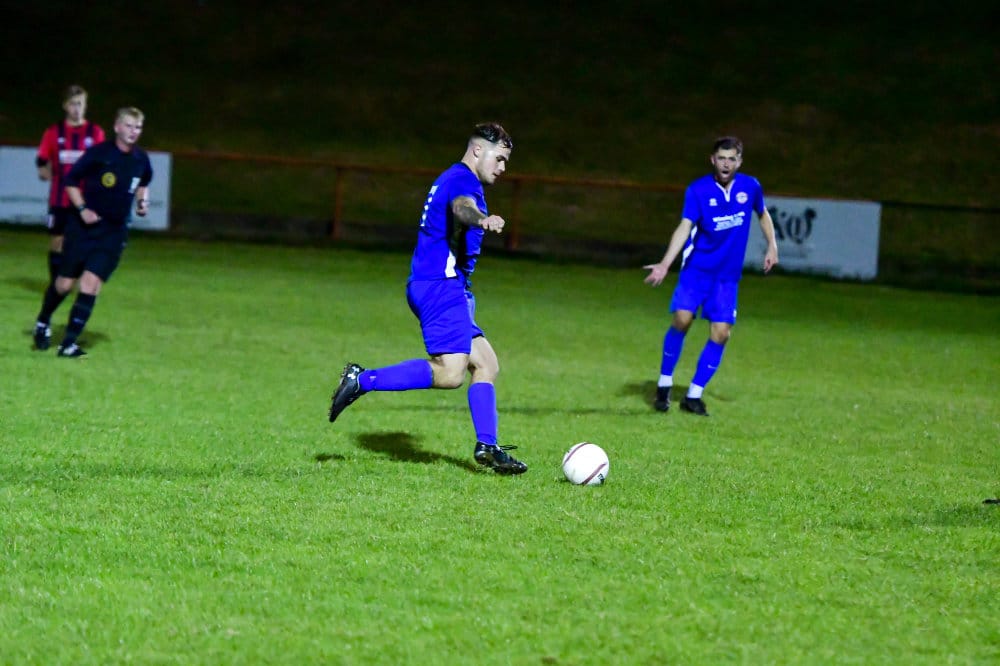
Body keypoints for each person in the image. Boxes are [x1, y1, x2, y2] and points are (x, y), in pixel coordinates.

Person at [328, 122, 527, 475]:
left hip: (445, 286)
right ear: (477, 150)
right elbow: (462, 208)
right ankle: (362, 380)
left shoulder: (452, 177)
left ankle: (488, 446)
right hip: (440, 285)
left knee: (486, 364)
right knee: (450, 374)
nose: (502, 167)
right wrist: (481, 220)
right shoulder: (462, 181)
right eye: (499, 158)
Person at [643, 136, 779, 416]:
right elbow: (684, 226)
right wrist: (665, 264)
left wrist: (772, 246)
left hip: (726, 278)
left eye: (732, 159)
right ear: (712, 160)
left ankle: (693, 396)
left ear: (739, 162)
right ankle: (664, 383)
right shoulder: (698, 190)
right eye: (721, 158)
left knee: (721, 333)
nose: (726, 164)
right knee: (682, 319)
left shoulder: (750, 187)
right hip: (697, 271)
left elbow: (763, 214)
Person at [31, 107, 153, 357]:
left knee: (91, 282)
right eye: (129, 126)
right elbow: (71, 182)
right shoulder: (100, 154)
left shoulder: (141, 159)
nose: (134, 132)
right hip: (84, 227)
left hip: (114, 232)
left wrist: (143, 202)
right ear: (117, 127)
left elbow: (143, 183)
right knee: (64, 284)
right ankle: (43, 321)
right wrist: (83, 209)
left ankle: (68, 344)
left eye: (138, 127)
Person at [35, 85, 106, 285]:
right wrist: (44, 171)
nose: (77, 109)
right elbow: (42, 160)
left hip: (86, 200)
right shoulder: (53, 132)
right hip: (59, 199)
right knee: (57, 241)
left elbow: (102, 163)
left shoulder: (95, 132)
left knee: (83, 244)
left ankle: (75, 281)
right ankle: (55, 284)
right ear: (65, 106)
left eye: (80, 104)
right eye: (73, 104)